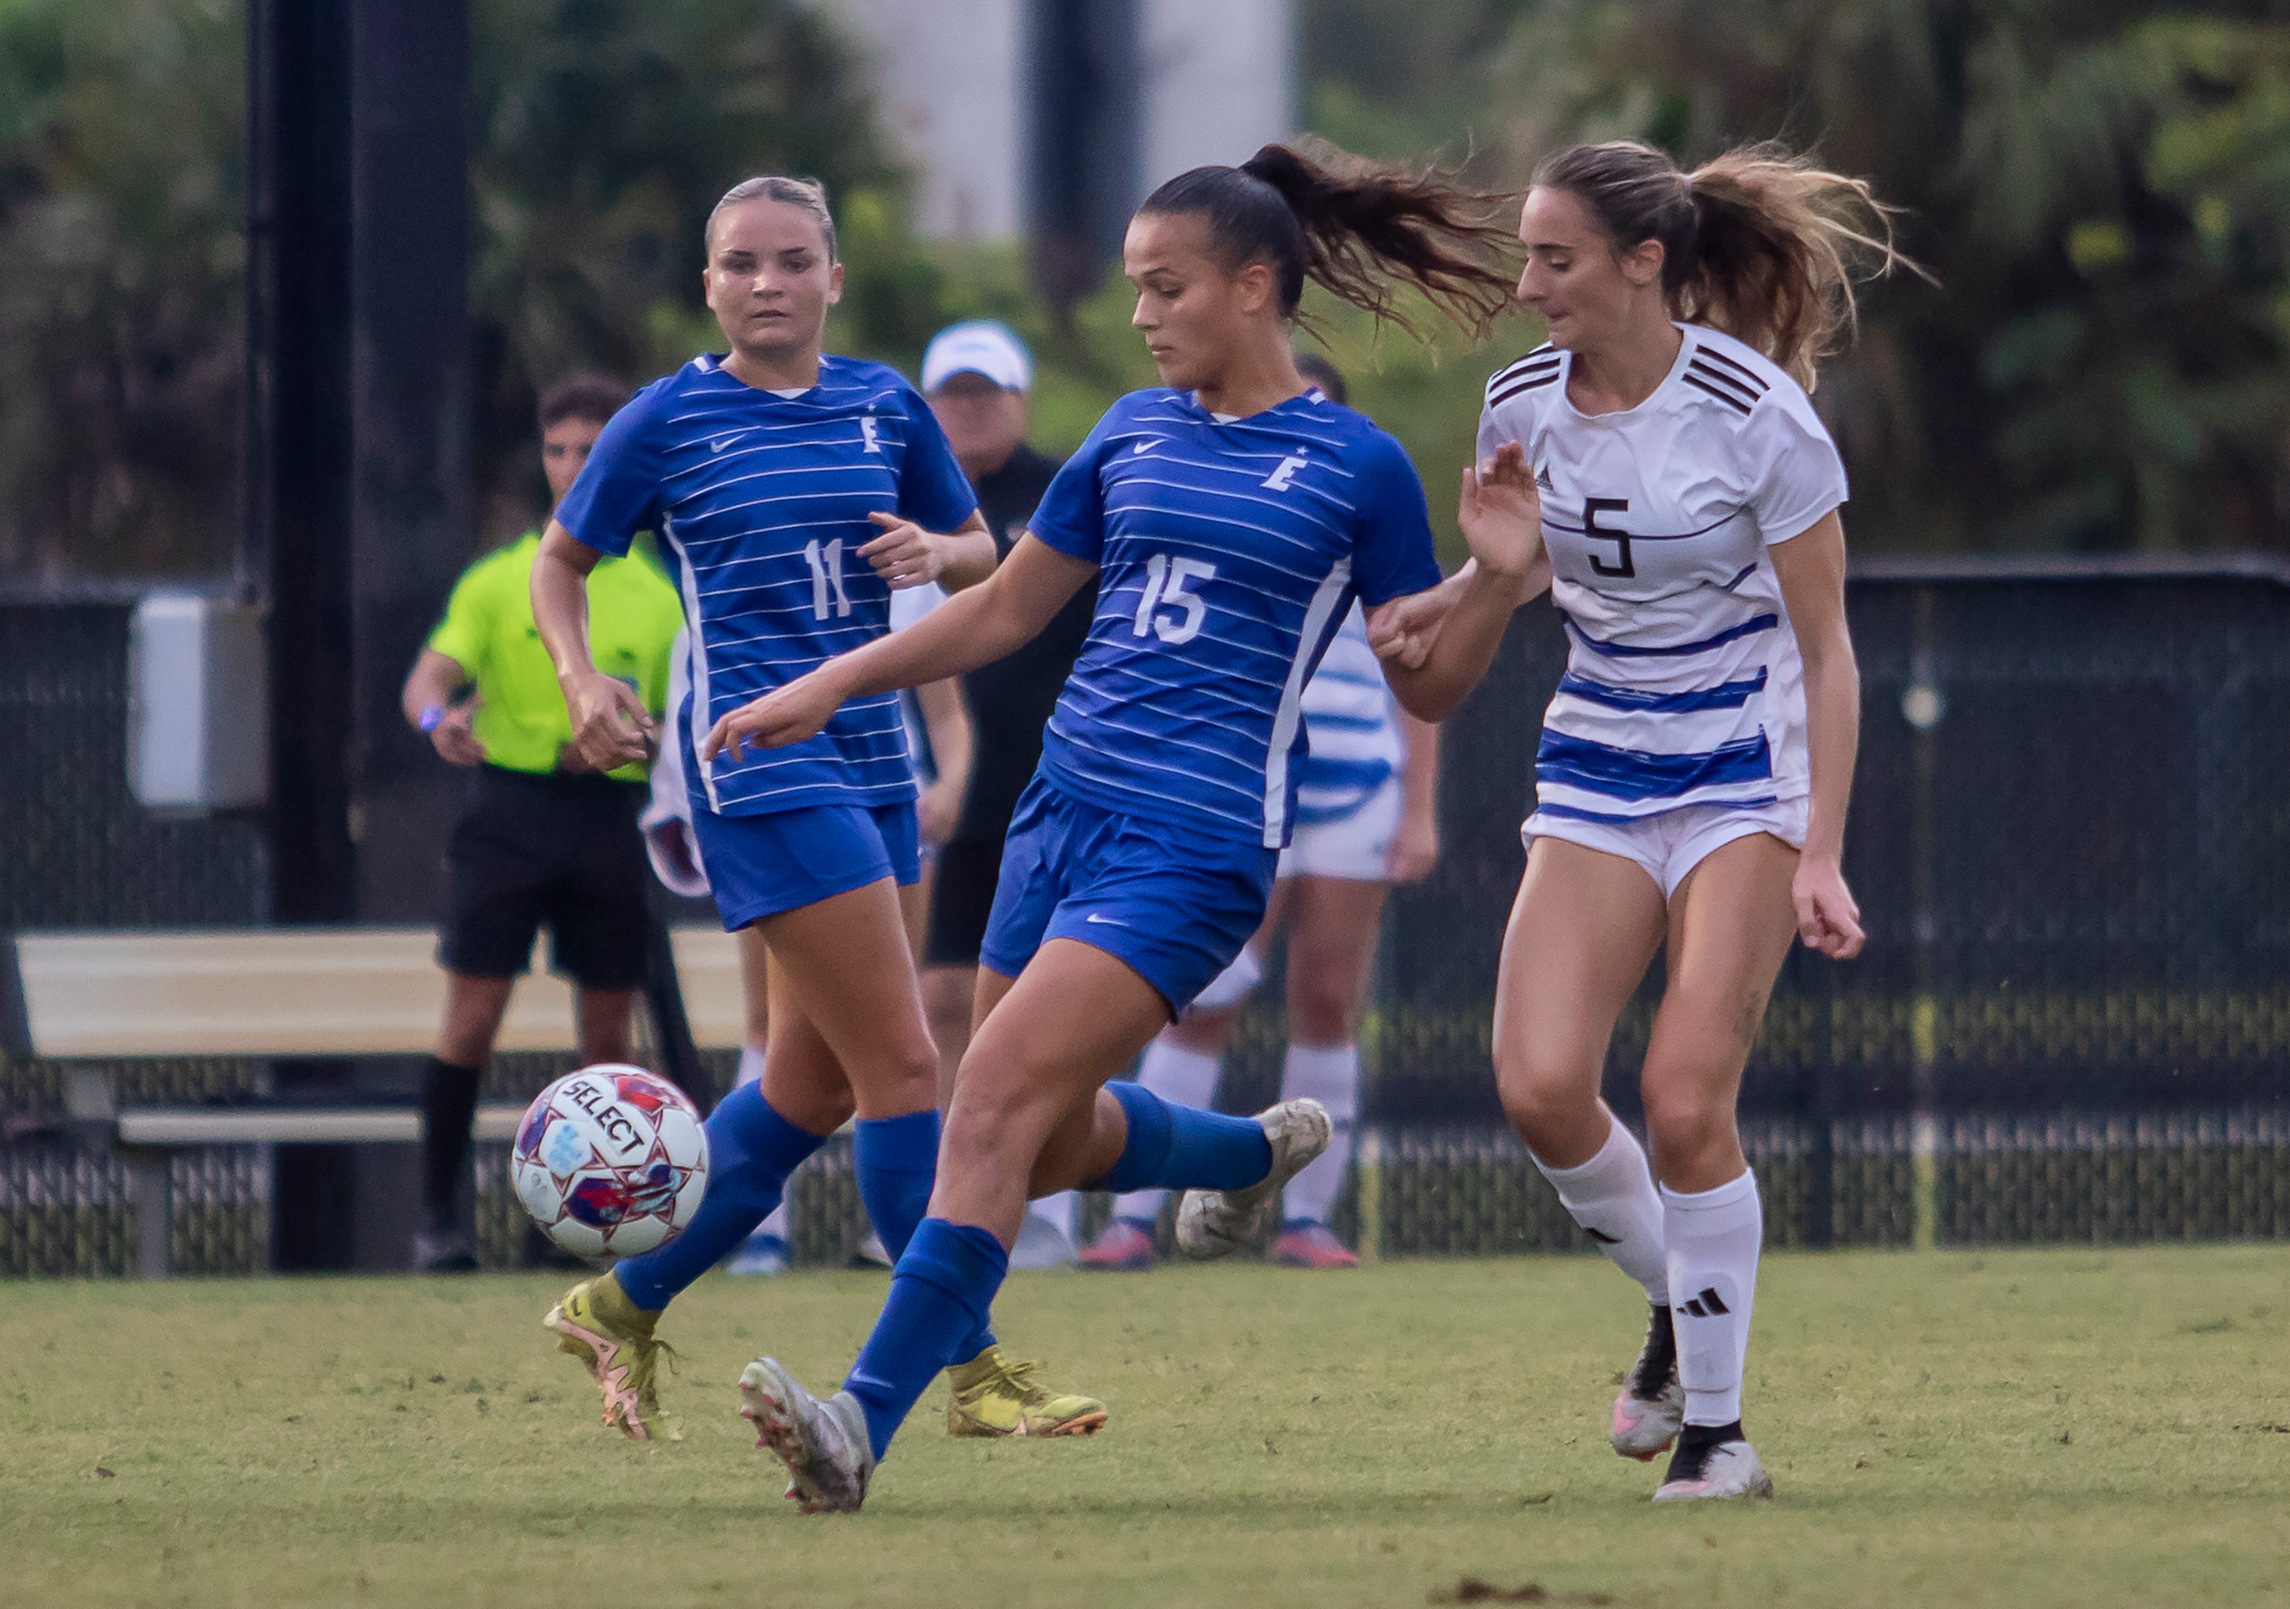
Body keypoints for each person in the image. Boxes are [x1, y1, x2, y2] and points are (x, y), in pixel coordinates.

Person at [719, 141, 1536, 1514]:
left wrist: (1495, 588)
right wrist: (827, 682)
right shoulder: (1126, 430)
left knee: (985, 1100)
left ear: (1255, 285)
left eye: (1165, 288)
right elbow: (998, 610)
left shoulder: (1356, 465)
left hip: (1196, 845)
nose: (1144, 314)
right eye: (1134, 289)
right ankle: (1242, 1152)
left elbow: (1427, 681)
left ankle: (858, 1421)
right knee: (1030, 1136)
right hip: (1054, 819)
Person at [529, 174, 1103, 1444]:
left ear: (834, 279)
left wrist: (933, 554)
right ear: (710, 286)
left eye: (793, 261)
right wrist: (580, 680)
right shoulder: (667, 419)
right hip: (756, 765)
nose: (768, 284)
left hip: (876, 757)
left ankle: (620, 1302)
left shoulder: (883, 403)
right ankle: (971, 1366)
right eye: (742, 264)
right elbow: (558, 561)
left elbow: (980, 556)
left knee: (814, 1087)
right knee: (905, 1065)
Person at [1380, 139, 1894, 1501]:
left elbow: (1828, 650)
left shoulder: (1757, 412)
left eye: (1554, 258)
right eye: (1528, 257)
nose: (1528, 283)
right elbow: (1531, 572)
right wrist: (1468, 588)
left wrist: (1822, 849)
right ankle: (1681, 1299)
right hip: (1599, 763)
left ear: (1644, 263)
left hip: (1741, 769)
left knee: (1678, 1098)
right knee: (1539, 1084)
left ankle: (1718, 1440)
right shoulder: (1520, 403)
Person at [1081, 352, 1440, 1272]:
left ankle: (1307, 1221)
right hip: (1246, 781)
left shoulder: (1369, 501)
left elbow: (1419, 678)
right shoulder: (1232, 512)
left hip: (1356, 786)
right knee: (1202, 997)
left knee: (1327, 998)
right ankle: (1135, 1216)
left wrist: (1419, 811)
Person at [401, 373, 685, 1274]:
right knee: (471, 1019)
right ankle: (437, 1221)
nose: (571, 468)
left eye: (589, 451)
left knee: (606, 1035)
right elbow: (427, 681)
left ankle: (568, 1226)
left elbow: (678, 723)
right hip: (509, 817)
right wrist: (435, 722)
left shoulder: (659, 591)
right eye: (558, 450)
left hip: (609, 819)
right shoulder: (500, 578)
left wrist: (622, 734)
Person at [914, 319, 1095, 1268]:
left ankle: (1052, 1211)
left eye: (986, 392)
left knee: (1049, 1004)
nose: (969, 408)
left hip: (1059, 783)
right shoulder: (913, 502)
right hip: (957, 801)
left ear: (1019, 399)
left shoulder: (1065, 490)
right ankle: (959, 1200)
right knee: (946, 997)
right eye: (953, 392)